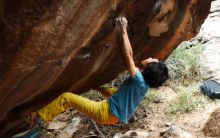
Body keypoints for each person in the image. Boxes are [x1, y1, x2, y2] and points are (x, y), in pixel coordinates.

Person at [24, 17, 169, 127]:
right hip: (113, 116)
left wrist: (123, 30)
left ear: (151, 68)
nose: (150, 58)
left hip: (105, 112)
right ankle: (97, 90)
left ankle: (37, 118)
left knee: (66, 98)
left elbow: (128, 55)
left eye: (152, 60)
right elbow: (129, 59)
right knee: (113, 90)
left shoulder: (138, 79)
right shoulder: (142, 86)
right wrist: (96, 87)